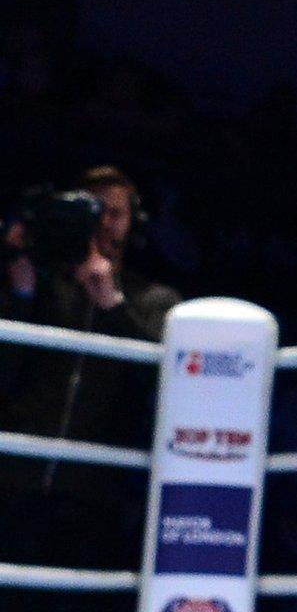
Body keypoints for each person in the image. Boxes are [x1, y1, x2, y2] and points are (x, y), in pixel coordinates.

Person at [1, 167, 181, 608]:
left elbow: (162, 389)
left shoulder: (155, 302)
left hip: (94, 493)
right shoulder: (42, 287)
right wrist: (20, 292)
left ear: (134, 222)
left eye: (114, 212)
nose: (102, 221)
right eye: (92, 208)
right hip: (14, 480)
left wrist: (111, 305)